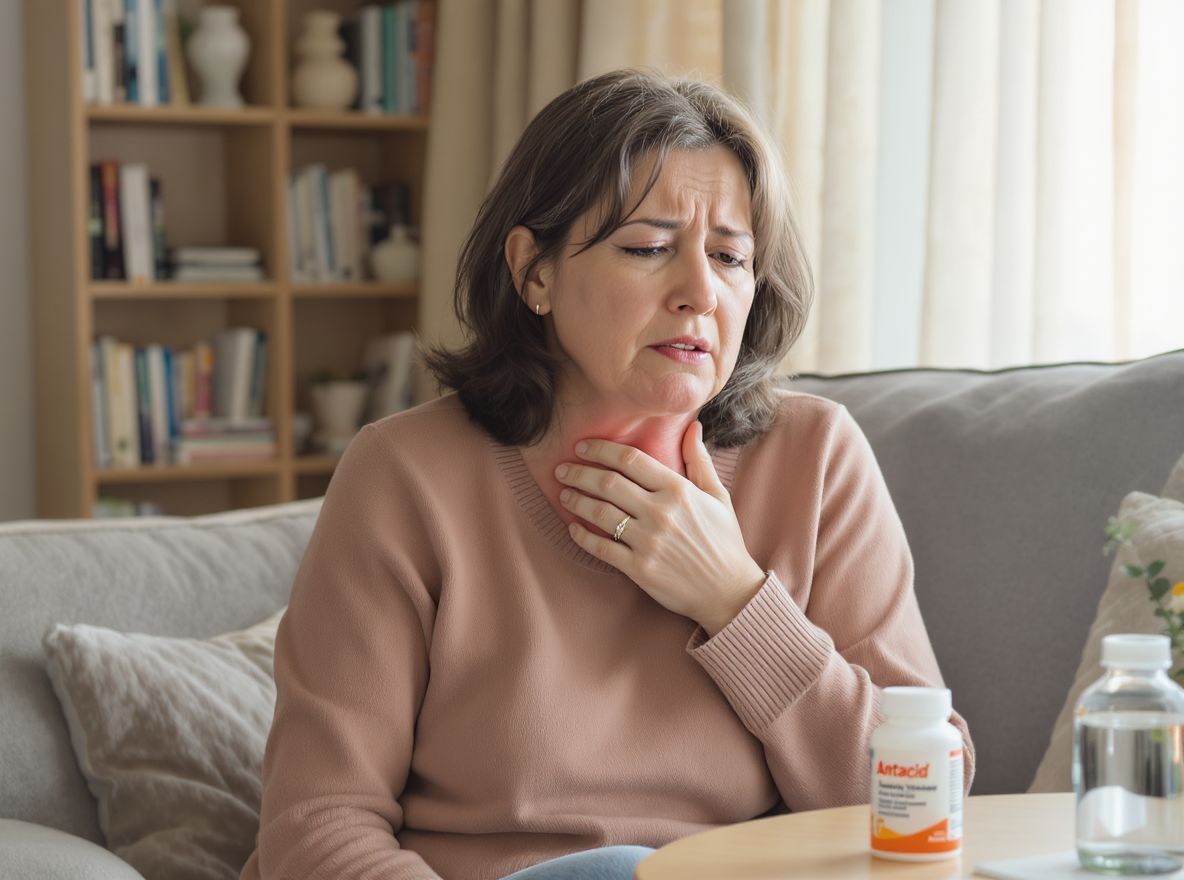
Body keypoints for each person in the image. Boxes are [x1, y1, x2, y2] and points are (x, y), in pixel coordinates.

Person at [239, 68, 975, 880]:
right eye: (649, 248)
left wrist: (734, 601)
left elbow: (924, 797)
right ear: (535, 272)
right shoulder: (405, 474)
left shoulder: (815, 458)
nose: (701, 292)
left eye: (731, 258)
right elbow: (318, 823)